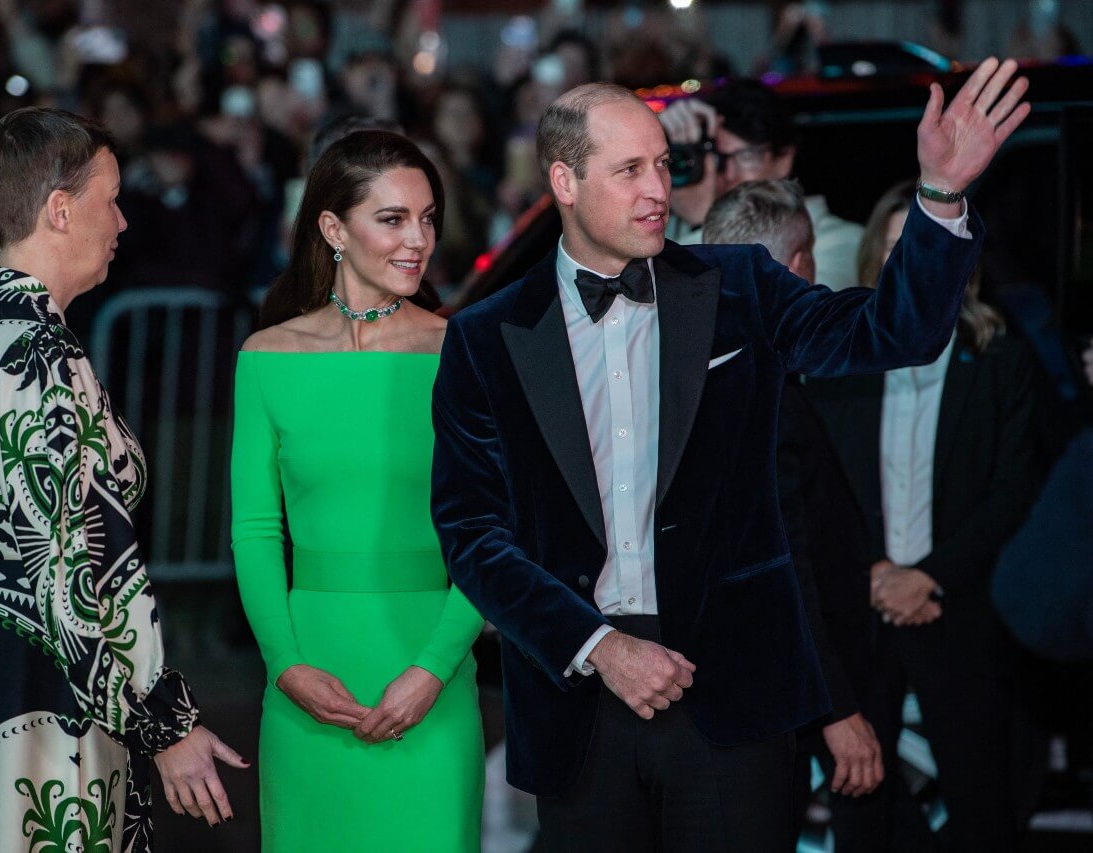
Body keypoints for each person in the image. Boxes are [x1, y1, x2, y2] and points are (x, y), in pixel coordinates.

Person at [431, 59, 1028, 853]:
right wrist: (598, 645)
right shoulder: (486, 334)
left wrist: (942, 195)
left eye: (664, 166)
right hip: (580, 696)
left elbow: (894, 332)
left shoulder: (739, 285)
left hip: (733, 694)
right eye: (630, 170)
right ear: (564, 182)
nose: (659, 189)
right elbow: (471, 531)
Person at [0, 107, 244, 853]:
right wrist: (161, 723)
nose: (123, 222)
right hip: (31, 684)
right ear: (60, 209)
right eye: (110, 199)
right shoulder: (35, 349)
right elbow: (70, 570)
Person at [232, 129, 485, 852]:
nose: (419, 239)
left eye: (428, 217)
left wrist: (432, 670)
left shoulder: (461, 353)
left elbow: (490, 530)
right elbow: (254, 530)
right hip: (308, 681)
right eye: (394, 218)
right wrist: (286, 665)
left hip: (431, 672)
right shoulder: (267, 358)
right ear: (334, 228)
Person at [803, 180, 1043, 853]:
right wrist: (876, 570)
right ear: (875, 259)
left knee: (979, 798)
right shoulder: (838, 357)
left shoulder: (999, 360)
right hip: (864, 606)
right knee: (859, 801)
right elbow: (823, 486)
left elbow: (1013, 491)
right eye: (895, 245)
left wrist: (929, 577)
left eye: (926, 245)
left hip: (956, 607)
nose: (909, 259)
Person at [702, 180, 886, 823]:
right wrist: (836, 707)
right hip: (779, 687)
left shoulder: (700, 360)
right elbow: (784, 565)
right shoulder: (758, 386)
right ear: (799, 265)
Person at [659, 78, 864, 290]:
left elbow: (776, 314)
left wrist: (704, 222)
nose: (728, 173)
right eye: (719, 157)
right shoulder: (667, 227)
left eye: (745, 156)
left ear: (784, 159)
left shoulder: (843, 240)